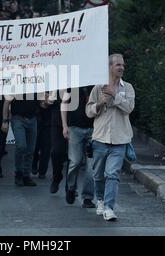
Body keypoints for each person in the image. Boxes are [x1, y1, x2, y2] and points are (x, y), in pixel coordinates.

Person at [85, 54, 135, 221]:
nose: (121, 67)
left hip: (120, 140)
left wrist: (115, 94)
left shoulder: (127, 88)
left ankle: (109, 207)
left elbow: (129, 108)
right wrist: (99, 103)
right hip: (100, 138)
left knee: (112, 174)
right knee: (98, 175)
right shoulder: (98, 87)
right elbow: (88, 111)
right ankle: (99, 199)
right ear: (109, 67)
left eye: (123, 65)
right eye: (117, 65)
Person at [61, 86, 95, 209]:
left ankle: (87, 197)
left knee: (91, 165)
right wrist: (65, 126)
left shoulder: (97, 85)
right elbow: (64, 104)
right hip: (74, 128)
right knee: (75, 161)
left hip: (93, 129)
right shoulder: (72, 84)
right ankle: (71, 187)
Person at [2, 94, 44, 187]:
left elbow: (42, 103)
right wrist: (5, 121)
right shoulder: (16, 83)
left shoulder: (36, 84)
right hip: (18, 118)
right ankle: (19, 173)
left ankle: (26, 175)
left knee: (30, 149)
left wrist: (45, 101)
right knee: (21, 146)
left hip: (32, 118)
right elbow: (7, 102)